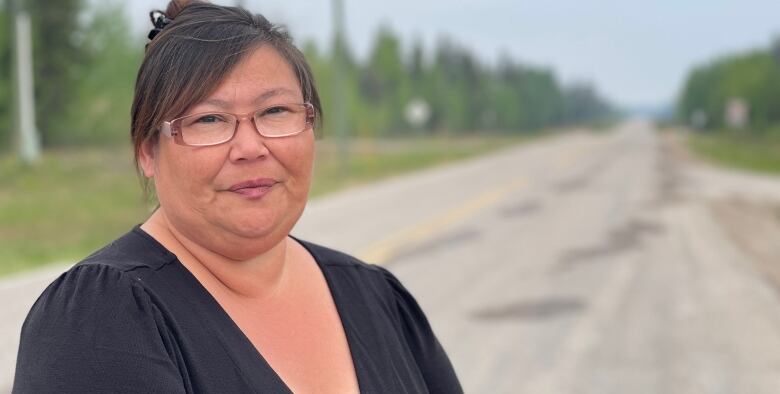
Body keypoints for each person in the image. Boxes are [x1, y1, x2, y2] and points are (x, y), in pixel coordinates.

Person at [12, 1, 462, 393]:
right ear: (148, 151)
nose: (251, 148)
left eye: (275, 111)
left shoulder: (374, 295)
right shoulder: (100, 322)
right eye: (208, 120)